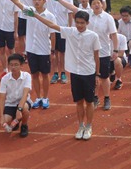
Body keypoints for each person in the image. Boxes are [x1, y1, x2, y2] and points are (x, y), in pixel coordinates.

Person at [29, 9, 101, 140]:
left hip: (89, 73)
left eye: (82, 23)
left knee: (89, 102)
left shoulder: (93, 36)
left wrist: (97, 74)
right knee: (79, 101)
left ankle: (89, 126)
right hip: (75, 72)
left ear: (87, 23)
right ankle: (80, 126)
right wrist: (34, 15)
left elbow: (97, 56)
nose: (79, 25)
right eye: (77, 22)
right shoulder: (70, 32)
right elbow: (51, 25)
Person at [1, 0, 57, 109]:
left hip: (44, 50)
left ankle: (45, 97)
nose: (36, 1)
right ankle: (38, 97)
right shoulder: (29, 11)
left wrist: (52, 51)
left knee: (45, 74)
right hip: (31, 50)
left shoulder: (50, 16)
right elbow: (16, 1)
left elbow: (53, 35)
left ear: (44, 1)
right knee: (35, 74)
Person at [0, 54, 31, 137]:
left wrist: (19, 110)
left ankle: (24, 125)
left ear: (21, 65)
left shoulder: (27, 76)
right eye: (11, 65)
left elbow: (25, 94)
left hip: (23, 102)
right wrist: (1, 116)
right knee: (6, 120)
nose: (13, 67)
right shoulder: (4, 79)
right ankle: (16, 121)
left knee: (25, 108)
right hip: (10, 103)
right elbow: (2, 99)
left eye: (16, 65)